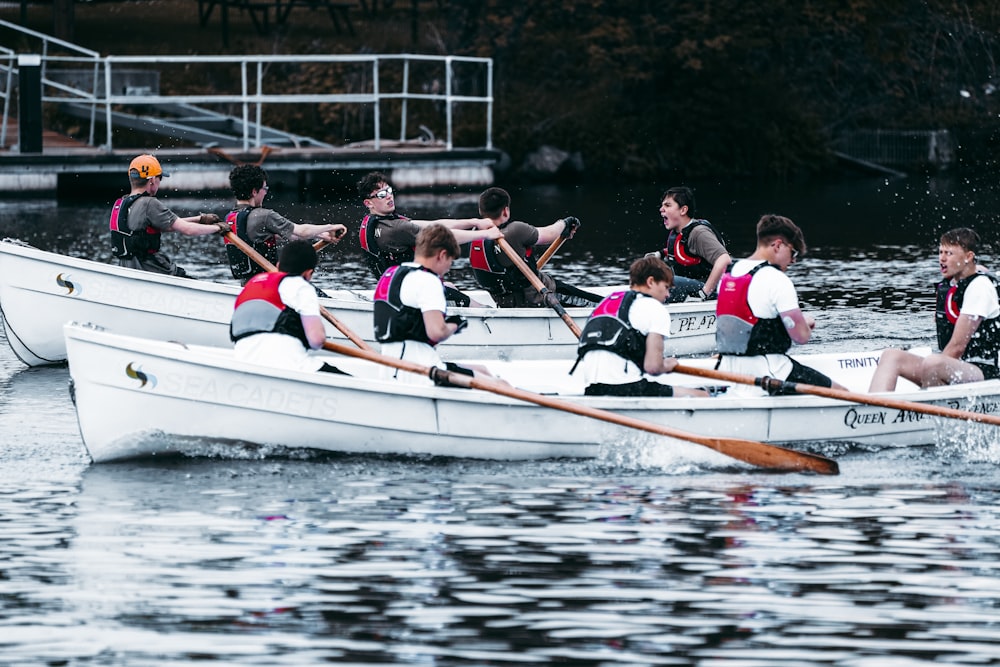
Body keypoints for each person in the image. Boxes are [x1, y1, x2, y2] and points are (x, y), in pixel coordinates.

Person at [714, 214, 845, 394]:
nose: (793, 261)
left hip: (728, 370)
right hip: (770, 371)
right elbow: (801, 337)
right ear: (777, 245)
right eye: (793, 253)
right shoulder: (776, 279)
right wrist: (806, 323)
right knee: (843, 393)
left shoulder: (729, 274)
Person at [868, 227, 1000, 392]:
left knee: (933, 363)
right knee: (891, 356)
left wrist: (931, 371)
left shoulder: (980, 287)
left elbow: (958, 346)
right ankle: (876, 410)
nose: (942, 259)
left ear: (968, 257)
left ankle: (929, 409)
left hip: (983, 371)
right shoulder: (952, 284)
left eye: (949, 253)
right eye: (940, 252)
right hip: (952, 367)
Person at [373, 223, 496, 386]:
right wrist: (455, 324)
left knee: (483, 370)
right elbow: (437, 333)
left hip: (391, 367)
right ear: (442, 255)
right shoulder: (428, 280)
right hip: (421, 373)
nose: (447, 270)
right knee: (499, 385)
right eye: (450, 262)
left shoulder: (391, 273)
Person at [357, 171, 501, 306]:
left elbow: (433, 224)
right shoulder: (397, 229)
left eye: (389, 191)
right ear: (368, 203)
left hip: (397, 290)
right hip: (411, 296)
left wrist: (474, 222)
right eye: (382, 195)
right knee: (477, 306)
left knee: (450, 286)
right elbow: (444, 237)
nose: (389, 196)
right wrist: (485, 235)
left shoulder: (377, 222)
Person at [571, 256, 708, 397]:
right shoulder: (655, 308)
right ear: (651, 282)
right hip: (626, 388)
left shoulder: (608, 301)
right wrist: (668, 365)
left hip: (592, 389)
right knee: (702, 395)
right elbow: (653, 367)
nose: (667, 295)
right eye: (666, 287)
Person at [470, 186, 603, 308]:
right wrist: (565, 223)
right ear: (506, 210)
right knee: (601, 305)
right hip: (543, 296)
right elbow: (549, 234)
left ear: (481, 210)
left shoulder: (476, 235)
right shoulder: (515, 230)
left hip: (507, 303)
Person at [230, 240, 349, 375]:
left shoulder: (253, 283)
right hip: (288, 365)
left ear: (278, 265)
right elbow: (316, 340)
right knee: (350, 381)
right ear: (309, 273)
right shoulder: (301, 286)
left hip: (243, 362)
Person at [224, 163, 348, 283]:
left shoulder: (230, 218)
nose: (266, 192)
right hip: (269, 284)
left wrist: (322, 235)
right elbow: (302, 232)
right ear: (254, 192)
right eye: (265, 188)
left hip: (247, 284)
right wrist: (331, 226)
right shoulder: (264, 215)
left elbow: (290, 234)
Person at [109, 154, 228, 276]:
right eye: (160, 178)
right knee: (185, 277)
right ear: (152, 180)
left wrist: (200, 219)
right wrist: (219, 228)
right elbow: (188, 230)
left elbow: (168, 224)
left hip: (126, 268)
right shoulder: (149, 203)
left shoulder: (121, 203)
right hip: (148, 268)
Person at [646, 186, 731, 303]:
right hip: (695, 287)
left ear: (683, 210)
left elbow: (724, 260)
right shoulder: (679, 232)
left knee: (668, 281)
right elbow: (684, 252)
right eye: (662, 205)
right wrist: (659, 254)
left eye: (667, 205)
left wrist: (704, 293)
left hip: (713, 291)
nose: (661, 209)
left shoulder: (699, 233)